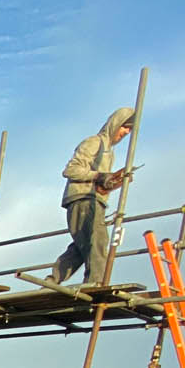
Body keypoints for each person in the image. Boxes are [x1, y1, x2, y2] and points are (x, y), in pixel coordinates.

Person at [48, 107, 135, 285]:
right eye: (125, 126)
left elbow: (98, 181)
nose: (126, 132)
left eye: (130, 129)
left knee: (82, 248)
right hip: (83, 200)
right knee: (98, 241)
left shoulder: (109, 151)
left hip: (93, 200)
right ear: (116, 124)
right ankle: (95, 284)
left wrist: (112, 181)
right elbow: (71, 170)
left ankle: (51, 282)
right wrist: (99, 175)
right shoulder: (95, 143)